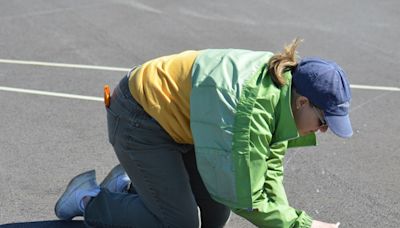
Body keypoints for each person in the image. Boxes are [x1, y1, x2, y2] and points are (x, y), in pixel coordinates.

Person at [54, 38, 351, 228]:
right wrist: (303, 225)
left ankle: (132, 185)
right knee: (180, 224)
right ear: (302, 102)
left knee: (214, 218)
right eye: (324, 121)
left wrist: (287, 218)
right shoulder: (252, 111)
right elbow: (247, 197)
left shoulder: (282, 89)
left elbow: (268, 168)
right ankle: (90, 199)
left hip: (187, 128)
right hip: (139, 118)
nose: (322, 130)